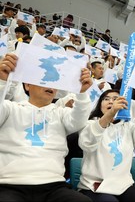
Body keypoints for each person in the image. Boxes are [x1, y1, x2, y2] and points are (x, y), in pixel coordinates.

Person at [0, 53, 93, 202]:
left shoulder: (61, 113)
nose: (51, 85)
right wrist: (1, 82)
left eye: (54, 82)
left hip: (54, 185)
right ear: (27, 85)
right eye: (44, 80)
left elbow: (79, 121)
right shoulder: (10, 108)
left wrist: (82, 93)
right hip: (10, 184)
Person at [78, 89, 135, 202]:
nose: (111, 101)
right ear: (100, 104)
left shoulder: (128, 126)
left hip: (123, 186)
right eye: (106, 99)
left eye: (115, 99)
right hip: (95, 187)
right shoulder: (90, 124)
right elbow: (87, 143)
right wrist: (111, 112)